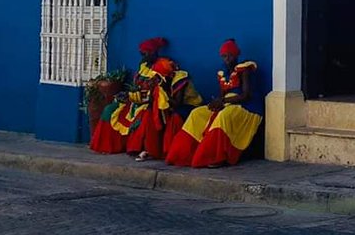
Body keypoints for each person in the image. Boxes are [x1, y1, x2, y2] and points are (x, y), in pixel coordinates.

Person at [89, 37, 201, 159]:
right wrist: (127, 96)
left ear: (153, 52)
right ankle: (106, 146)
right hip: (137, 100)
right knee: (110, 109)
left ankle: (139, 148)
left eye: (145, 53)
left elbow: (157, 94)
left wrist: (133, 97)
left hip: (153, 102)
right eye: (141, 53)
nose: (143, 56)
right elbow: (138, 87)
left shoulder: (163, 68)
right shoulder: (144, 66)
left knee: (145, 114)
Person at [165, 40, 263, 168]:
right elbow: (222, 96)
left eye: (230, 55)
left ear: (236, 55)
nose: (227, 59)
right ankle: (185, 154)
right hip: (227, 102)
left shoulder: (244, 70)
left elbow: (246, 95)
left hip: (247, 106)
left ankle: (216, 157)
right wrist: (216, 103)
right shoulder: (222, 73)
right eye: (224, 56)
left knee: (224, 116)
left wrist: (222, 102)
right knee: (197, 113)